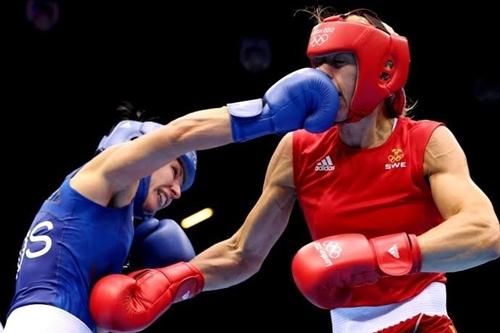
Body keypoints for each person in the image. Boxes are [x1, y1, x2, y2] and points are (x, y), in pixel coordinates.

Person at [88, 8, 500, 333]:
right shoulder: (298, 149)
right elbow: (241, 253)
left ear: (383, 69)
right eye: (318, 63)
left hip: (422, 325)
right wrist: (173, 282)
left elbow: (484, 234)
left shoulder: (425, 141)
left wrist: (379, 256)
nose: (321, 76)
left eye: (338, 62)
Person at [4, 67, 340, 333]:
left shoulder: (99, 210)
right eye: (176, 172)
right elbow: (177, 137)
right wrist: (268, 115)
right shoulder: (103, 173)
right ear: (138, 147)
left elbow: (242, 258)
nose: (177, 191)